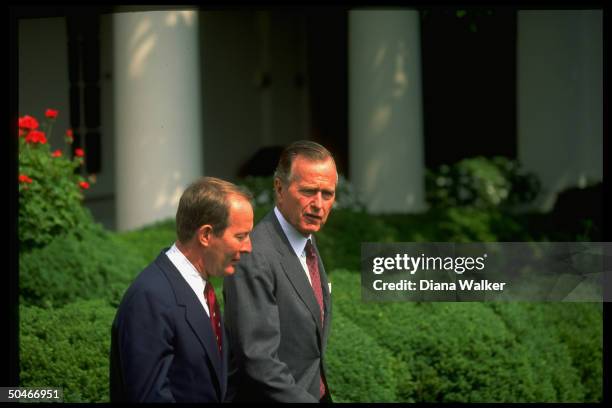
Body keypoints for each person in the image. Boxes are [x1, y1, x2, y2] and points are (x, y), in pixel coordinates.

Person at [110, 177, 253, 402]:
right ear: (206, 235)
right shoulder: (150, 298)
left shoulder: (202, 289)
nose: (248, 247)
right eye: (240, 236)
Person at [223, 140, 337, 402]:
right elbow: (259, 362)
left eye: (327, 194)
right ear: (279, 188)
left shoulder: (306, 239)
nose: (319, 205)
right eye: (308, 191)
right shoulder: (252, 255)